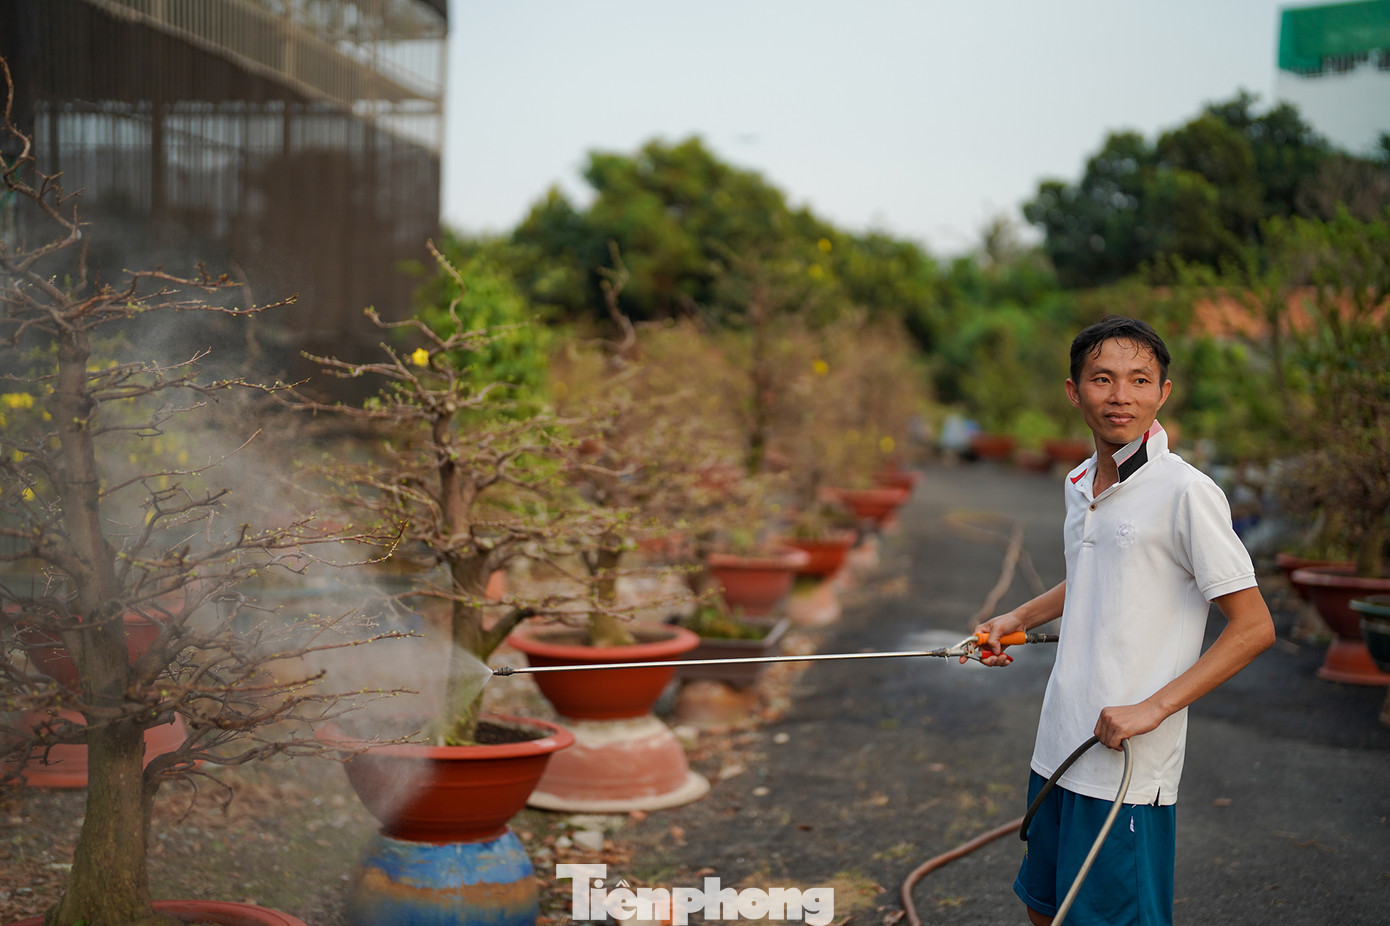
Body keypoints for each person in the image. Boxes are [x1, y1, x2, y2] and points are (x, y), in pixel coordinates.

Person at [969, 316, 1275, 926]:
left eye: (1140, 380)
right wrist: (1017, 616)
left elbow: (1254, 627)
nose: (1120, 396)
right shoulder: (1079, 482)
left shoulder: (1186, 493)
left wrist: (1153, 708)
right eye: (1102, 378)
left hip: (1127, 765)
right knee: (1044, 907)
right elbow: (1096, 570)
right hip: (1060, 744)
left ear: (1163, 393)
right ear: (1074, 391)